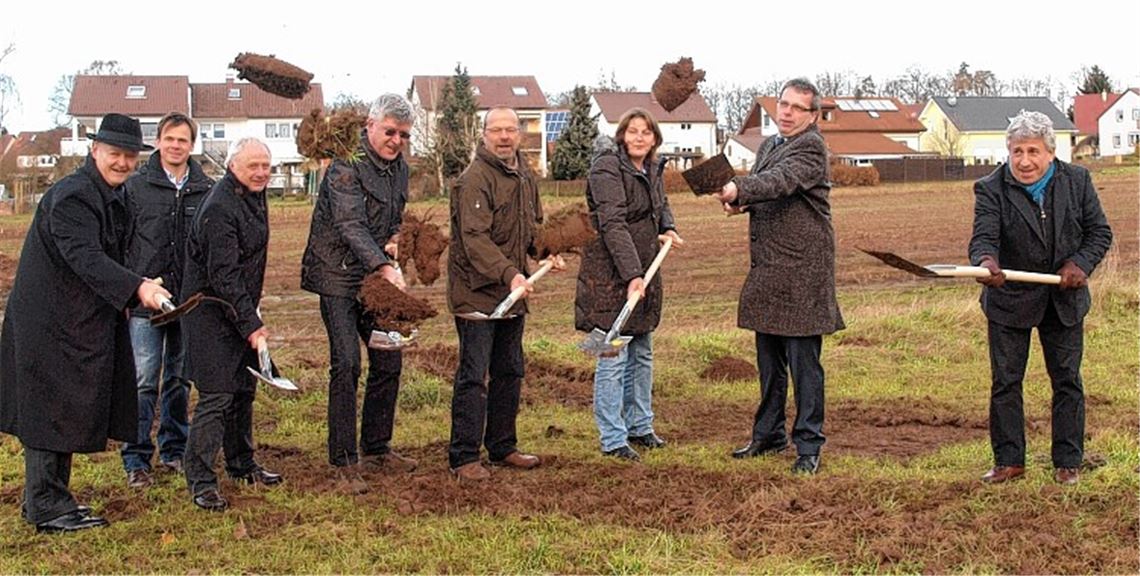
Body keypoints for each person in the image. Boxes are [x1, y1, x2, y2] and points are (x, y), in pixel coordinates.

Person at [0, 113, 171, 533]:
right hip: (48, 320)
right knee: (47, 410)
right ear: (95, 150)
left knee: (65, 409)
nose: (123, 163)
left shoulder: (114, 194)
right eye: (115, 154)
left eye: (131, 156)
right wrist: (138, 289)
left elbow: (115, 253)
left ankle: (49, 498)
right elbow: (86, 258)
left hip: (76, 319)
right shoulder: (73, 196)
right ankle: (45, 504)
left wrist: (140, 281)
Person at [970, 110, 1112, 486]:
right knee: (1006, 381)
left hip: (1063, 300)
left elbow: (1099, 232)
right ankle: (1009, 461)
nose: (1024, 161)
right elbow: (983, 239)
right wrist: (986, 263)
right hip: (1009, 299)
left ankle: (1068, 462)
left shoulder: (1077, 181)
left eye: (1033, 151)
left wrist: (1079, 263)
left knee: (1067, 379)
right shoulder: (990, 188)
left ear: (1050, 152)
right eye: (1017, 152)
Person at [712, 78, 845, 475]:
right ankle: (768, 434)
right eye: (782, 105)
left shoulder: (812, 148)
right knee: (769, 362)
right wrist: (744, 203)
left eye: (796, 108)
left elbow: (781, 181)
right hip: (769, 271)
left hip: (803, 272)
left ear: (813, 116)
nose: (785, 113)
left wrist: (740, 187)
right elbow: (768, 191)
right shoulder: (770, 145)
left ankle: (809, 445)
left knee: (805, 365)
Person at [300, 94, 416, 490]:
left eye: (403, 134)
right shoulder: (345, 167)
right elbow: (350, 224)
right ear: (370, 125)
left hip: (371, 278)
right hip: (336, 277)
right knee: (347, 362)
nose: (396, 140)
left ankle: (378, 447)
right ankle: (343, 460)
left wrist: (397, 239)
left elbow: (394, 216)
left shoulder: (400, 170)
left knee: (388, 357)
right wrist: (383, 267)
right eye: (389, 131)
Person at [446, 107, 563, 481]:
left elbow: (533, 228)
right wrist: (510, 273)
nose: (504, 136)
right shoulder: (473, 180)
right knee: (474, 375)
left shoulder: (525, 176)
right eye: (496, 130)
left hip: (513, 291)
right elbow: (474, 239)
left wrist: (546, 251)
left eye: (510, 130)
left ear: (520, 134)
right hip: (477, 293)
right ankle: (464, 455)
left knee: (509, 370)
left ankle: (502, 446)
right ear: (484, 135)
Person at [574, 108, 683, 461]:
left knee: (642, 351)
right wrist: (631, 275)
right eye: (632, 131)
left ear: (654, 138)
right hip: (609, 274)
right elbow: (612, 224)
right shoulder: (607, 167)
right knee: (612, 354)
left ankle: (640, 425)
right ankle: (613, 437)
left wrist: (669, 227)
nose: (639, 137)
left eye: (646, 132)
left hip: (644, 268)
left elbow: (660, 205)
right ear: (622, 136)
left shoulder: (652, 167)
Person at [181, 137, 282, 511]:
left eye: (265, 167)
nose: (260, 173)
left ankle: (242, 464)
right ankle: (201, 480)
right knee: (217, 394)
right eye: (252, 166)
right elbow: (223, 275)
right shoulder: (220, 207)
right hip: (209, 311)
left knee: (243, 389)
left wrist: (249, 313)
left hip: (236, 307)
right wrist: (250, 322)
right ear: (233, 166)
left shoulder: (253, 196)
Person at [120, 112, 215, 489]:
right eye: (169, 139)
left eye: (183, 140)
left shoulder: (205, 188)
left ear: (192, 145)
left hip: (186, 301)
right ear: (158, 141)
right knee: (144, 379)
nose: (176, 146)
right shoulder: (136, 187)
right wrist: (131, 286)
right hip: (146, 301)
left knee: (178, 379)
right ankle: (136, 458)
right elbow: (122, 241)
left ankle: (175, 449)